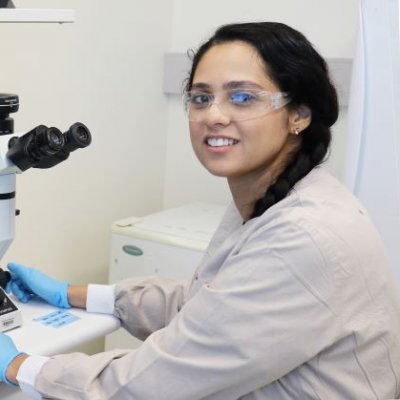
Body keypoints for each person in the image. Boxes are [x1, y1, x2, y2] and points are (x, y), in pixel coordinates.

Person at [1, 21, 400, 399]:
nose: (214, 115)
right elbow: (210, 311)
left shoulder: (303, 237)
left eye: (243, 97)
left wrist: (20, 366)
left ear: (299, 114)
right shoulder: (280, 198)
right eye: (202, 98)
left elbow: (156, 384)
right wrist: (71, 293)